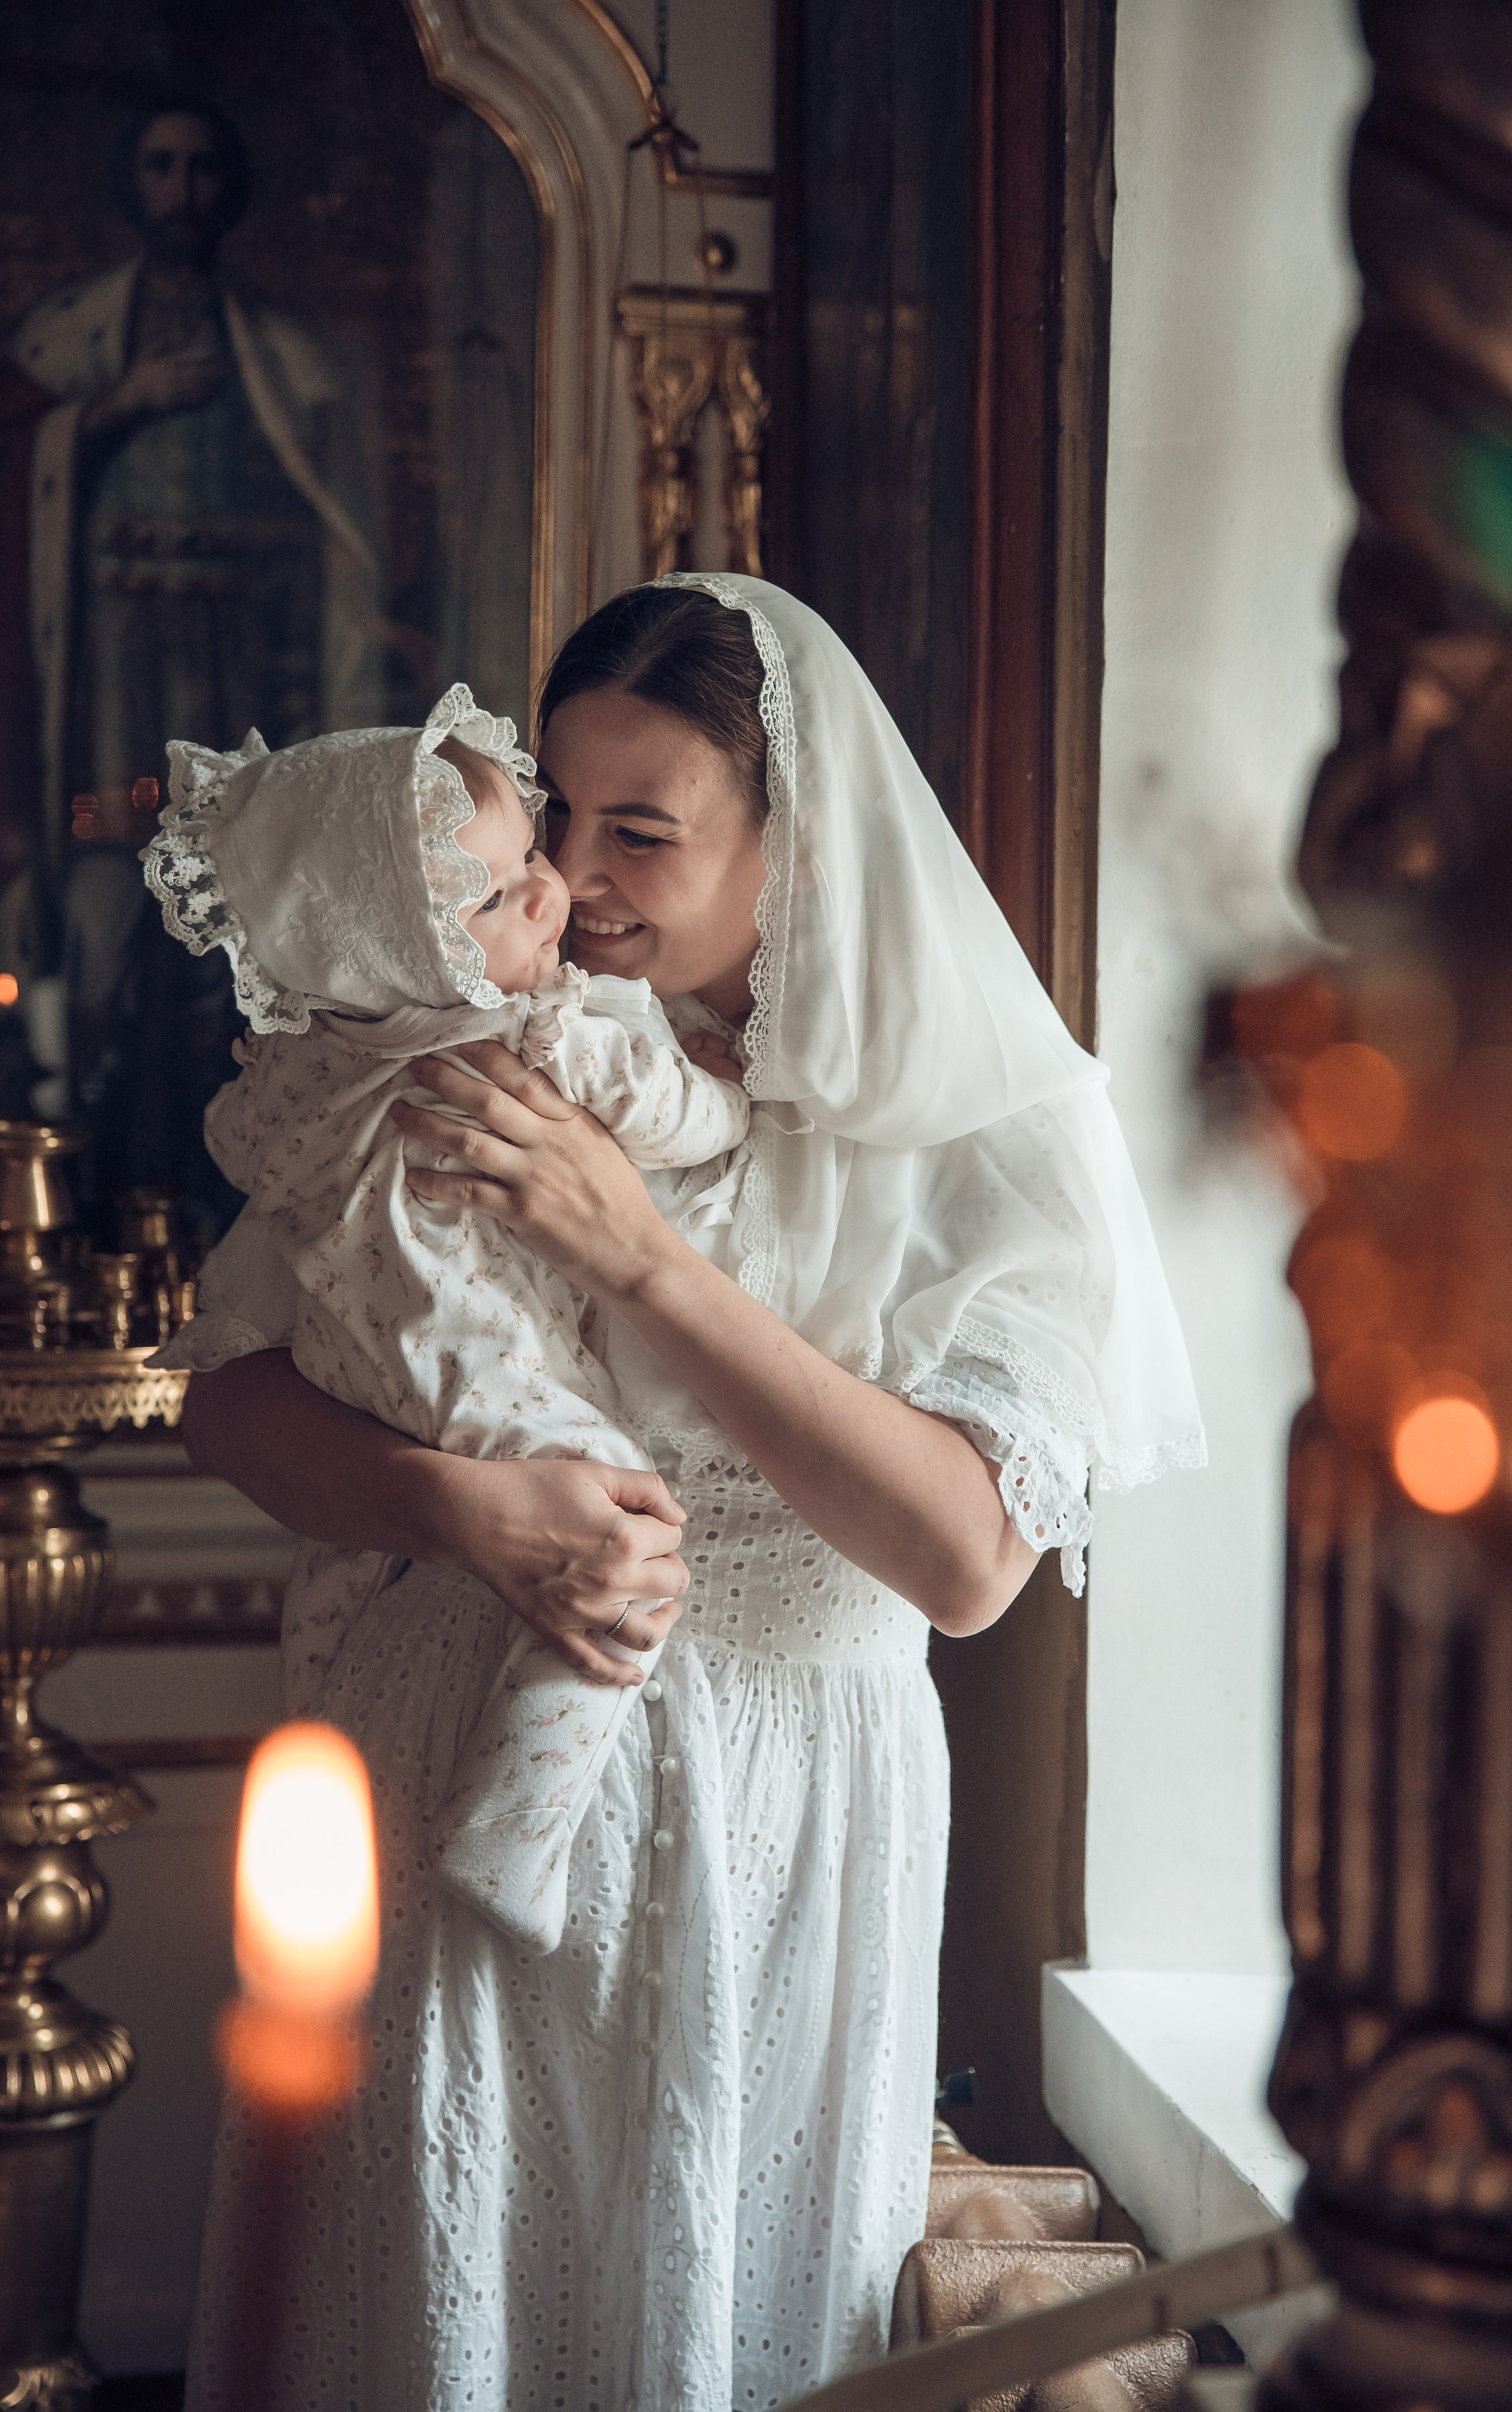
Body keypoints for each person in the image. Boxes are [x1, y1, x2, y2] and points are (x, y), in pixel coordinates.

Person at [179, 575, 1206, 2412]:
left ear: (795, 843)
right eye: (557, 817)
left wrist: (644, 1260)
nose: (574, 877)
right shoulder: (482, 1033)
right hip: (454, 1767)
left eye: (643, 832)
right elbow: (234, 1399)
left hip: (793, 1822)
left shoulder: (994, 1129)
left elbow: (966, 1556)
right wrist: (459, 1513)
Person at [143, 682, 749, 1951]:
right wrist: (729, 1094)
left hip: (362, 1367)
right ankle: (518, 1828)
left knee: (335, 1585)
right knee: (620, 1519)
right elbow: (679, 1113)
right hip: (468, 1360)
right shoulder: (523, 1038)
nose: (552, 892)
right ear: (399, 956)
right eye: (495, 894)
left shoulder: (309, 1065)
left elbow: (244, 1160)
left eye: (531, 854)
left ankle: (316, 1764)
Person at [1, 97, 377, 1232]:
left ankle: (215, 1204)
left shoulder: (278, 351)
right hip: (106, 675)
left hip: (233, 666)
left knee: (223, 954)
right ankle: (101, 1193)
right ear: (134, 183)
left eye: (204, 169)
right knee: (114, 932)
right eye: (161, 167)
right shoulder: (71, 338)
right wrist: (114, 410)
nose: (184, 190)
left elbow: (327, 521)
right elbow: (20, 456)